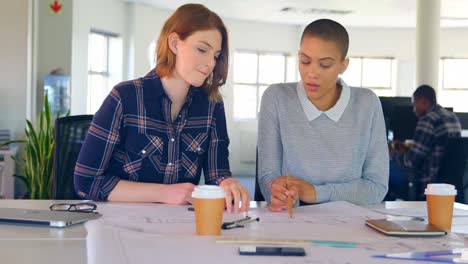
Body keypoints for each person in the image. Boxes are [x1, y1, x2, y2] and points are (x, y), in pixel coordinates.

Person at [74, 3, 249, 213]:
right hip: (121, 227)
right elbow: (86, 182)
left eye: (215, 55)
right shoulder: (124, 97)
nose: (211, 63)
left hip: (179, 227)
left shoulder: (212, 106)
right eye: (202, 50)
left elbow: (217, 173)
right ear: (174, 43)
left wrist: (226, 183)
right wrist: (163, 193)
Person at [258, 19, 388, 211]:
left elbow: (376, 187)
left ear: (343, 65)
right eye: (305, 61)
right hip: (294, 223)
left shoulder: (367, 103)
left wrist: (314, 193)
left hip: (351, 229)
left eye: (325, 65)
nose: (312, 73)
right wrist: (279, 195)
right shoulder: (277, 98)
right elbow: (268, 177)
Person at [389, 84, 462, 199]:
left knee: (386, 168)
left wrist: (394, 155)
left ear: (423, 101)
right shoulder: (453, 117)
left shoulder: (428, 120)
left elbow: (411, 162)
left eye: (414, 104)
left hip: (427, 182)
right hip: (448, 185)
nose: (414, 109)